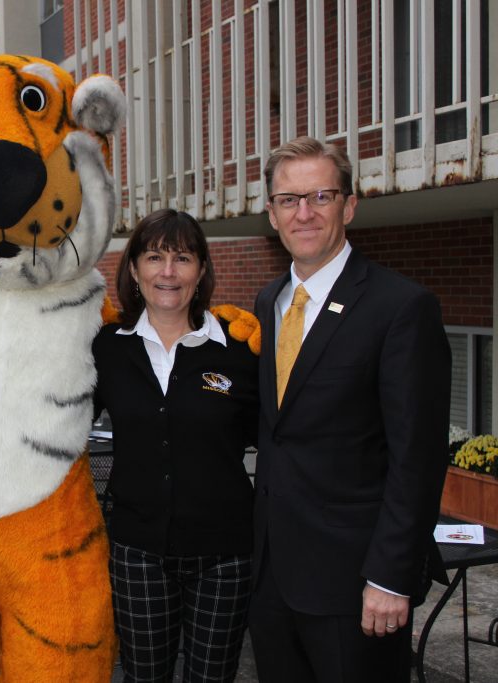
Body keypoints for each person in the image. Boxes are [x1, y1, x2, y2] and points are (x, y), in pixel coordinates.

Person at [249, 136, 451, 682]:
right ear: (272, 213)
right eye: (288, 200)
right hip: (273, 580)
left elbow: (419, 458)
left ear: (350, 205)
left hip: (357, 586)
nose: (304, 212)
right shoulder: (268, 303)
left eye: (320, 195)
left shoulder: (401, 308)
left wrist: (390, 577)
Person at [92, 209, 258, 682]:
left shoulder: (239, 350)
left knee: (212, 677)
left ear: (201, 270)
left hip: (225, 554)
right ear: (134, 269)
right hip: (137, 552)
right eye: (154, 257)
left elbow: (271, 435)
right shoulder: (107, 348)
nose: (168, 272)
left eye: (182, 258)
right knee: (144, 676)